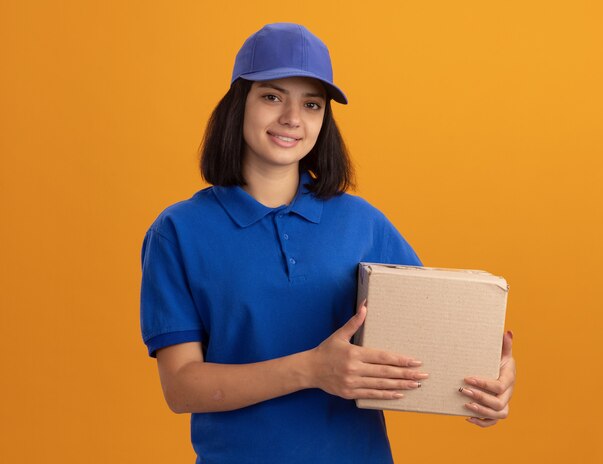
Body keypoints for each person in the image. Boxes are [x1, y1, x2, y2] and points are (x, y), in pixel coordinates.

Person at [140, 22, 516, 464]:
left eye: (312, 104)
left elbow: (434, 339)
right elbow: (181, 387)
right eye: (272, 96)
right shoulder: (179, 231)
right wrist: (312, 371)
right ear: (238, 104)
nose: (292, 119)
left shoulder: (363, 223)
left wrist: (494, 381)